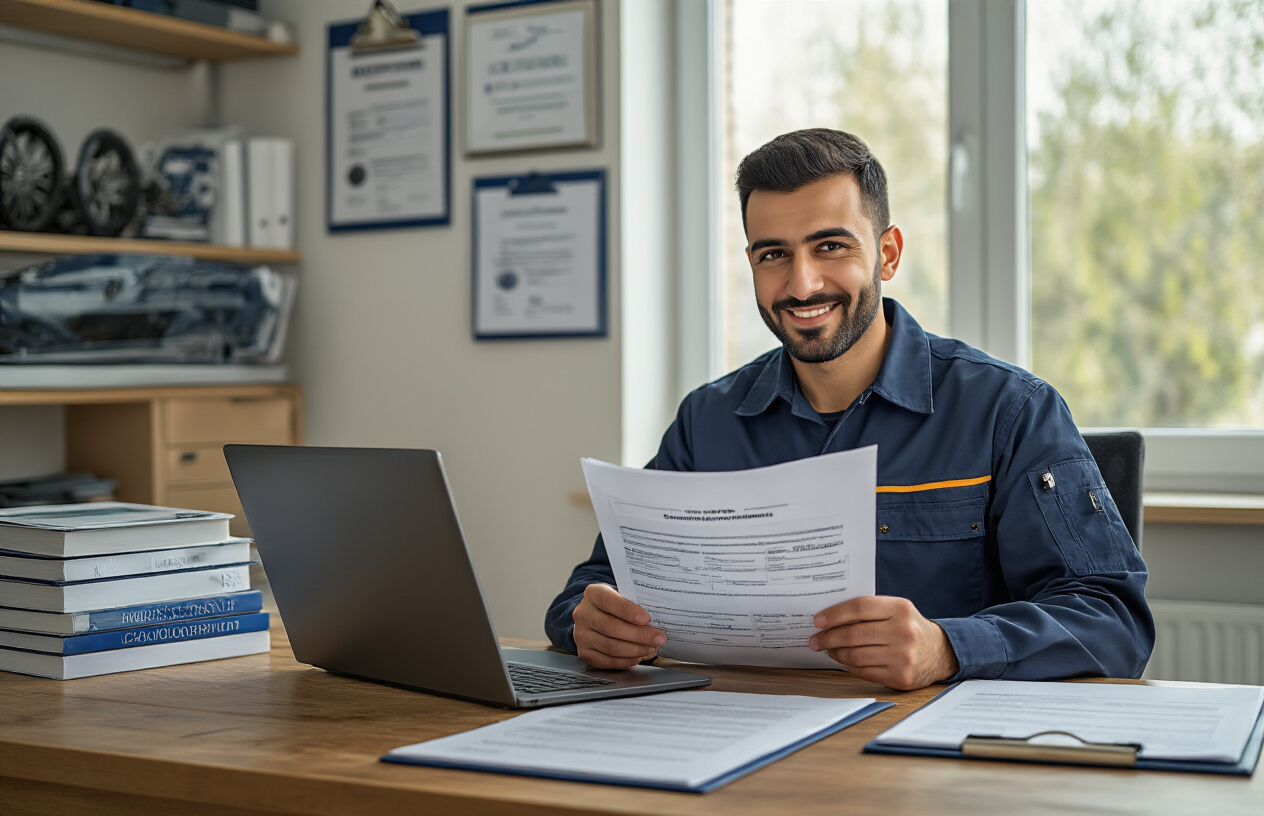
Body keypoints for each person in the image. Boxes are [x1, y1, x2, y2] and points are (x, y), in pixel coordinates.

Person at [545, 128, 1154, 691]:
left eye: (830, 246)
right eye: (773, 254)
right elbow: (594, 586)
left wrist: (947, 647)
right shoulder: (706, 422)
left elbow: (1114, 619)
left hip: (929, 762)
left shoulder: (1011, 410)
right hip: (732, 745)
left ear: (887, 254)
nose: (802, 284)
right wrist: (586, 620)